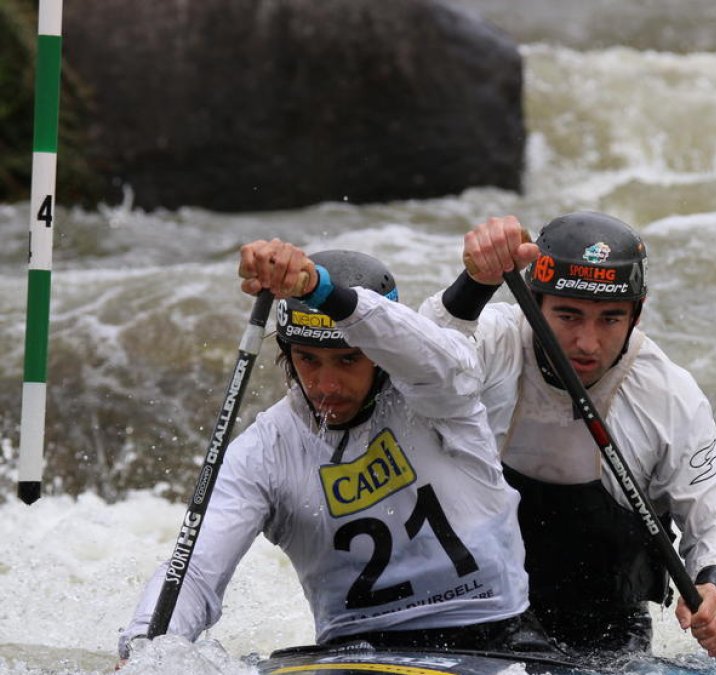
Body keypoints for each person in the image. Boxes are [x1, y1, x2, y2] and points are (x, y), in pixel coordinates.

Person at [118, 239, 552, 663]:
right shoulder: (264, 450)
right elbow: (195, 574)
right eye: (308, 360)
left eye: (348, 361)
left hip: (495, 638)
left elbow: (426, 349)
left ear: (378, 355)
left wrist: (317, 290)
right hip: (353, 654)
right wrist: (146, 647)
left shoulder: (436, 395)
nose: (326, 386)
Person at [419, 212, 716, 660]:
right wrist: (475, 282)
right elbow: (414, 362)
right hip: (466, 613)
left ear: (637, 313)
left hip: (603, 636)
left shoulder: (670, 396)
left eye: (610, 319)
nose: (587, 344)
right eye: (568, 315)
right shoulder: (492, 340)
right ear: (533, 303)